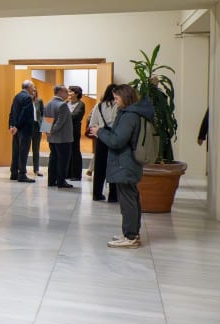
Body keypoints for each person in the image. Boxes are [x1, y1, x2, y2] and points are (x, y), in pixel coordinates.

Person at [90, 84, 154, 249]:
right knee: (131, 199)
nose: (116, 102)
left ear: (125, 97)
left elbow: (117, 141)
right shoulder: (133, 113)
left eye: (117, 98)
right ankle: (131, 233)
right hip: (127, 163)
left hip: (124, 164)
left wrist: (100, 132)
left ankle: (130, 236)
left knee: (127, 202)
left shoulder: (129, 116)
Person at [88, 84, 118, 202]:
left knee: (99, 167)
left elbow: (92, 124)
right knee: (114, 166)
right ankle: (113, 195)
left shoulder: (98, 106)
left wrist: (99, 132)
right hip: (115, 138)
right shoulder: (119, 106)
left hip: (101, 138)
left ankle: (97, 194)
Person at [45, 85, 74, 188]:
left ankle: (51, 181)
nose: (68, 94)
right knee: (63, 160)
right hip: (63, 138)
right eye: (66, 92)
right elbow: (60, 122)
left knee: (53, 159)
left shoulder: (48, 104)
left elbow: (46, 120)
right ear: (60, 92)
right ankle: (61, 181)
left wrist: (47, 131)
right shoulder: (63, 105)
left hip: (52, 139)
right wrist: (52, 131)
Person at [8, 80, 36, 183]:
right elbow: (24, 114)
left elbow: (12, 112)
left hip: (16, 130)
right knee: (23, 152)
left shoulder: (17, 96)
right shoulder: (27, 98)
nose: (34, 89)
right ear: (28, 87)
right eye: (33, 87)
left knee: (15, 151)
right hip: (24, 129)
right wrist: (18, 126)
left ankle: (14, 173)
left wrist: (12, 126)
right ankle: (22, 174)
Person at [66, 86, 86, 181]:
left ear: (77, 94)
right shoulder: (66, 103)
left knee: (75, 151)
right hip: (65, 131)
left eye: (71, 92)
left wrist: (64, 114)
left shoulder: (81, 104)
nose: (68, 93)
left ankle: (76, 175)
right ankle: (68, 173)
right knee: (67, 151)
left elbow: (76, 115)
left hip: (74, 131)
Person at [31, 87, 45, 177]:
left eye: (35, 91)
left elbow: (44, 114)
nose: (33, 93)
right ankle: (21, 168)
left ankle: (36, 169)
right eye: (32, 91)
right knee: (24, 149)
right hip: (27, 127)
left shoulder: (39, 101)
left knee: (36, 149)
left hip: (37, 126)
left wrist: (45, 128)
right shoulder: (25, 101)